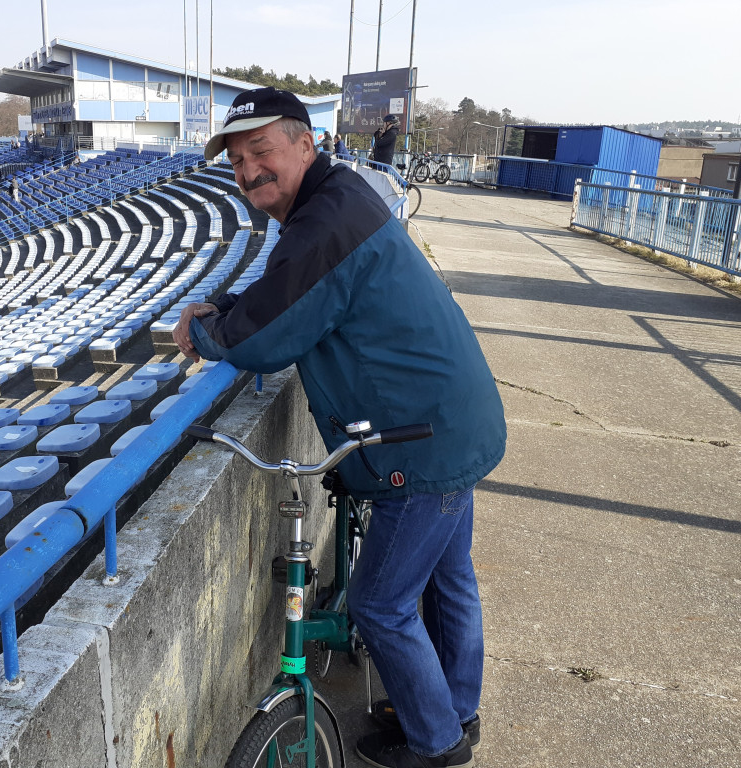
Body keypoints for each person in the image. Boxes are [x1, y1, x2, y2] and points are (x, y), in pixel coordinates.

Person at [172, 86, 506, 768]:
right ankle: (451, 711)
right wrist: (231, 304)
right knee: (449, 583)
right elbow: (297, 295)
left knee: (383, 605)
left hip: (420, 443)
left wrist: (204, 334)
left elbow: (267, 336)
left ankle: (438, 742)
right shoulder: (338, 201)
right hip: (449, 420)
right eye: (236, 161)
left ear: (305, 144)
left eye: (261, 151)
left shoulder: (324, 222)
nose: (248, 171)